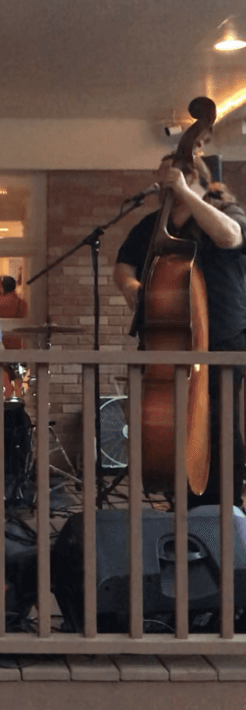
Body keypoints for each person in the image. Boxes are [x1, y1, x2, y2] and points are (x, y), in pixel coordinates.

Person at [114, 155, 246, 507]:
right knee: (170, 428)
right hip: (165, 339)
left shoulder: (225, 212)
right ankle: (180, 501)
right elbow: (124, 262)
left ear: (191, 174)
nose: (162, 178)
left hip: (220, 339)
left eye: (170, 171)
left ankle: (226, 509)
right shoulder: (152, 224)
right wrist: (129, 285)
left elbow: (231, 237)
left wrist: (187, 193)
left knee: (220, 424)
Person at [0, 275, 28, 398]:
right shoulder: (22, 303)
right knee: (18, 378)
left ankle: (7, 398)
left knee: (4, 377)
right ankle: (18, 398)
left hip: (3, 345)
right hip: (19, 345)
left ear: (3, 287)